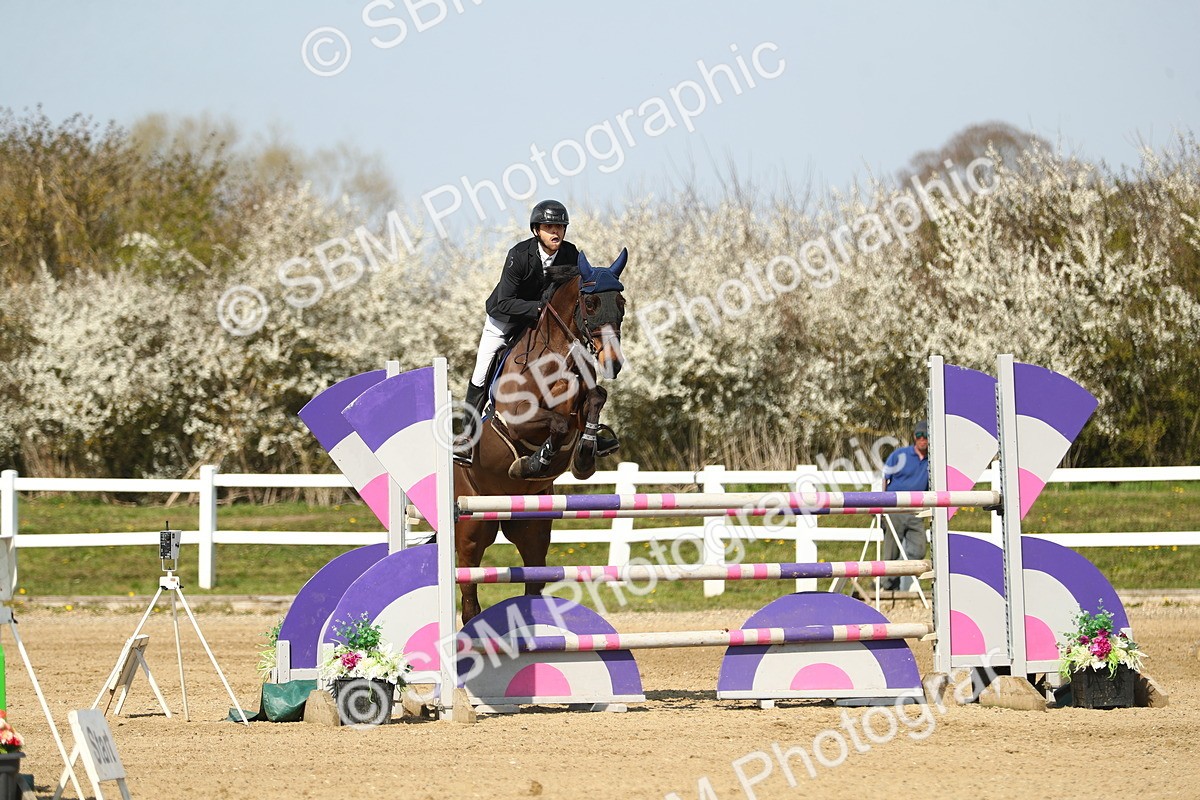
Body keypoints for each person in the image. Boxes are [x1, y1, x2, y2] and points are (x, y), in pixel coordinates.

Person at [453, 199, 604, 464]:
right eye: (549, 226)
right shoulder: (519, 255)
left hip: (548, 322)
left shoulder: (570, 254)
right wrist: (539, 309)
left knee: (579, 359)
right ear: (536, 230)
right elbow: (504, 301)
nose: (555, 232)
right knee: (481, 370)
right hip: (506, 318)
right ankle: (467, 436)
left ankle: (591, 430)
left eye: (560, 226)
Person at [879, 420, 930, 591]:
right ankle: (887, 587)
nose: (922, 439)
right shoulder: (900, 455)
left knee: (919, 549)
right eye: (919, 436)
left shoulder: (933, 461)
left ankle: (903, 575)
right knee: (891, 552)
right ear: (914, 437)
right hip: (896, 508)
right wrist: (883, 505)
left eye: (926, 436)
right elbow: (885, 479)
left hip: (916, 511)